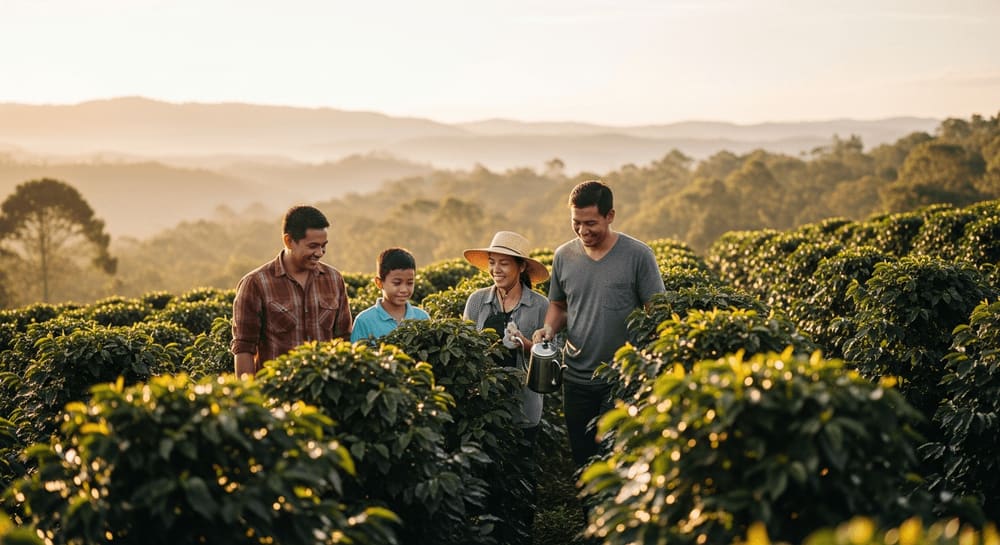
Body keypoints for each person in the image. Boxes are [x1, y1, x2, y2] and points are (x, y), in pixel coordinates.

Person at [532, 180, 665, 467]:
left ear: (610, 216)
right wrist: (549, 328)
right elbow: (558, 305)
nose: (583, 231)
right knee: (583, 460)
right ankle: (588, 514)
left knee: (616, 458)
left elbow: (657, 313)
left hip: (622, 379)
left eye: (590, 223)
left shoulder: (638, 256)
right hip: (576, 377)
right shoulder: (563, 256)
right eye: (576, 223)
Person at [462, 230, 550, 543]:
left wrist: (527, 344)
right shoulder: (477, 302)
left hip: (524, 406)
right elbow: (465, 350)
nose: (496, 270)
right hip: (485, 407)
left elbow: (553, 356)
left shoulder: (539, 305)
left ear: (521, 267)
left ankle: (522, 535)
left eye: (504, 264)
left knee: (522, 476)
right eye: (492, 263)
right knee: (487, 479)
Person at [231, 205, 352, 376]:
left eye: (323, 246)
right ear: (288, 241)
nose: (319, 253)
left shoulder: (333, 279)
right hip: (276, 393)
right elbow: (244, 347)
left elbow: (344, 338)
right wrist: (248, 396)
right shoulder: (256, 283)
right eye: (313, 246)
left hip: (325, 392)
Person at [351, 247, 430, 344]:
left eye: (409, 283)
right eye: (397, 283)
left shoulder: (422, 317)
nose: (404, 290)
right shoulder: (364, 321)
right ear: (379, 283)